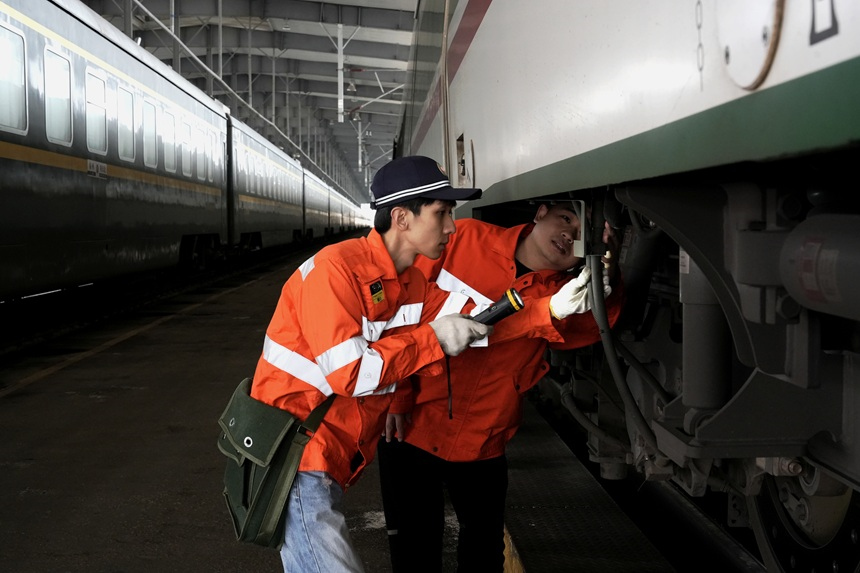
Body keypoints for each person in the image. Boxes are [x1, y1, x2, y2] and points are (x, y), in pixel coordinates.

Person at [249, 155, 496, 573]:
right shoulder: (334, 271)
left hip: (327, 454)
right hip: (294, 454)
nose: (452, 227)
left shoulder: (411, 282)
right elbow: (354, 374)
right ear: (401, 218)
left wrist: (549, 307)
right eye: (442, 213)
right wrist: (433, 337)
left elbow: (476, 316)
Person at [376, 201, 624, 573]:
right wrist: (395, 396)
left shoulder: (567, 292)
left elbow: (593, 327)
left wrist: (609, 278)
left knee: (482, 553)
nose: (568, 235)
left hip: (484, 436)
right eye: (565, 218)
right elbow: (401, 313)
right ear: (540, 213)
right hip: (414, 423)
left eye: (580, 234)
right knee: (414, 550)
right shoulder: (466, 238)